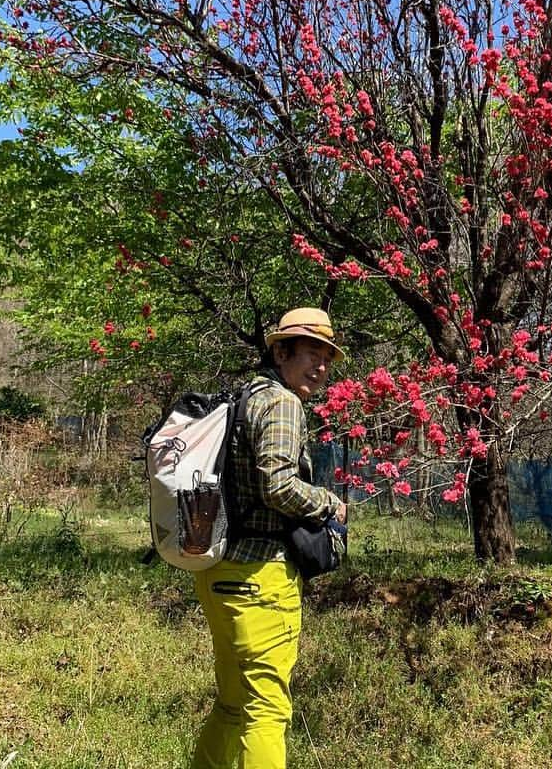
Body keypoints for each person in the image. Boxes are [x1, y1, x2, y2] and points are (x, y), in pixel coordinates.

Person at [192, 307, 347, 769]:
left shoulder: (244, 396)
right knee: (267, 710)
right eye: (310, 355)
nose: (320, 368)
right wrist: (328, 504)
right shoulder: (282, 403)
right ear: (281, 351)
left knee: (233, 703)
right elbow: (277, 486)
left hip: (219, 569)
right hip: (261, 577)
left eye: (327, 359)